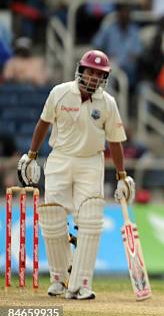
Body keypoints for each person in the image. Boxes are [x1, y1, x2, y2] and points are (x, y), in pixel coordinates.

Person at [16, 50, 135, 300]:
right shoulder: (59, 92)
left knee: (91, 219)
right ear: (81, 70)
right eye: (90, 71)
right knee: (51, 216)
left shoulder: (107, 103)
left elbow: (115, 142)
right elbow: (43, 123)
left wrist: (122, 175)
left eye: (99, 74)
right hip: (59, 158)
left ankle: (82, 283)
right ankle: (59, 279)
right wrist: (31, 155)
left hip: (91, 162)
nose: (93, 78)